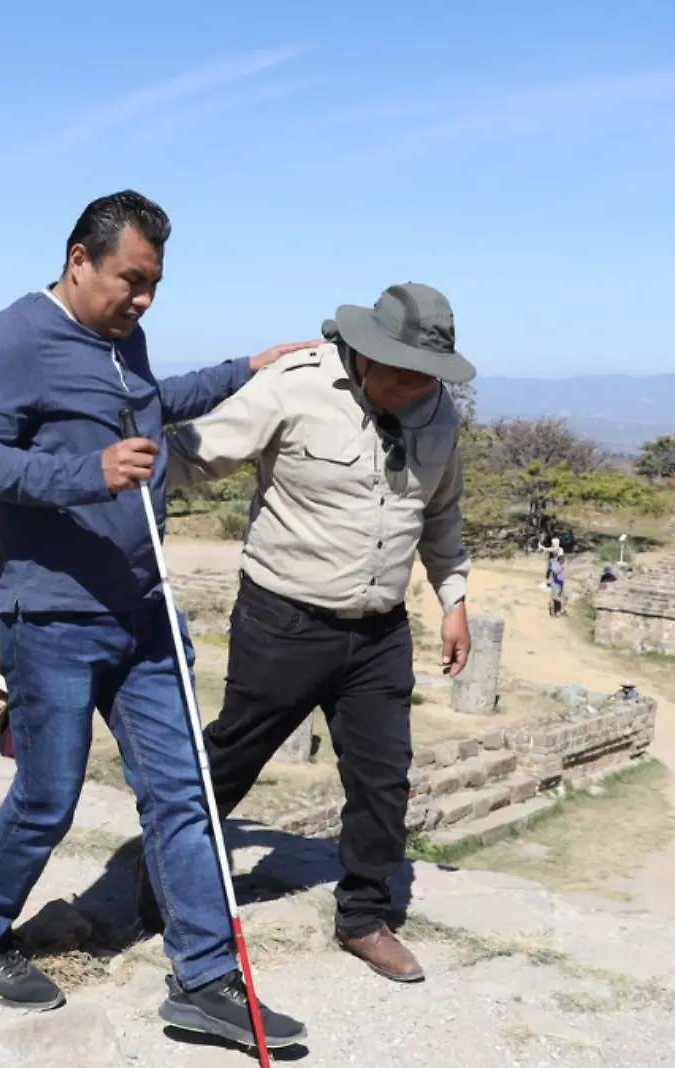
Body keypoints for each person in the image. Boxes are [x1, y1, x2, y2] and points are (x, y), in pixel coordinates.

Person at [0, 190, 311, 1049]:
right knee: (47, 797)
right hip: (53, 617)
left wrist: (242, 370)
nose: (141, 300)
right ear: (80, 259)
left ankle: (207, 981)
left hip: (144, 613)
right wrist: (85, 470)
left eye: (153, 286)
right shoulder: (17, 336)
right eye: (129, 281)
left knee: (184, 796)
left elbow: (149, 400)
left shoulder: (120, 338)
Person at [156, 284, 475, 984]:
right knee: (235, 753)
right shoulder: (293, 388)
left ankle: (364, 915)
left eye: (426, 376)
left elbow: (441, 512)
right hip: (284, 618)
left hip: (380, 630)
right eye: (400, 373)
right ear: (362, 354)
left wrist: (453, 600)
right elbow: (195, 455)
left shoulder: (437, 412)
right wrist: (109, 476)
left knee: (383, 778)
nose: (412, 389)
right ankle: (170, 874)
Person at [548, 552, 567, 617]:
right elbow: (555, 574)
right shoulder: (555, 565)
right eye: (563, 560)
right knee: (554, 598)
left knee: (564, 598)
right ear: (560, 560)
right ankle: (553, 612)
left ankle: (560, 611)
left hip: (560, 584)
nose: (564, 561)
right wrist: (561, 570)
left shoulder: (560, 565)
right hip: (556, 584)